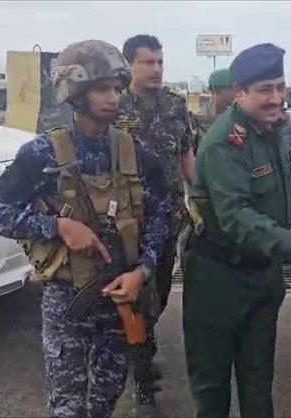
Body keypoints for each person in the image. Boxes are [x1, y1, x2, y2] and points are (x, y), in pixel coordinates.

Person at [0, 40, 170, 418]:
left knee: (105, 400)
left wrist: (143, 271)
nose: (113, 97)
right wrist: (57, 226)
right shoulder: (42, 154)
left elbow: (160, 216)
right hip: (67, 300)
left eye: (116, 88)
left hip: (120, 300)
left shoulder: (135, 153)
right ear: (75, 92)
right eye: (102, 89)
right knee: (68, 406)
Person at [182, 43, 291, 418]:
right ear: (240, 91)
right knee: (212, 388)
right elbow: (235, 216)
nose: (276, 98)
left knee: (258, 381)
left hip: (262, 276)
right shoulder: (224, 142)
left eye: (280, 87)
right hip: (218, 280)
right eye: (265, 90)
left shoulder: (275, 130)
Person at [114, 34, 193, 410]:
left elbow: (186, 154)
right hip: (128, 223)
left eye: (160, 62)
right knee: (134, 300)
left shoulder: (175, 105)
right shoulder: (115, 106)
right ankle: (141, 374)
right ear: (129, 65)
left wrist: (202, 198)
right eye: (148, 62)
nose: (156, 69)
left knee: (158, 294)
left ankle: (142, 343)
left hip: (170, 218)